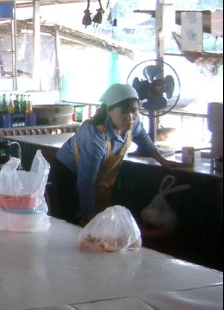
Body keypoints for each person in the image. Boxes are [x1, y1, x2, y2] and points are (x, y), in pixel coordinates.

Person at [53, 83, 177, 226]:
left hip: (95, 173)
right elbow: (86, 182)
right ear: (109, 110)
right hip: (69, 170)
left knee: (100, 215)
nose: (130, 117)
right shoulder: (95, 137)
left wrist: (162, 160)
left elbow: (143, 138)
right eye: (124, 112)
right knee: (73, 219)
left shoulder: (133, 123)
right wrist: (87, 217)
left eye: (134, 111)